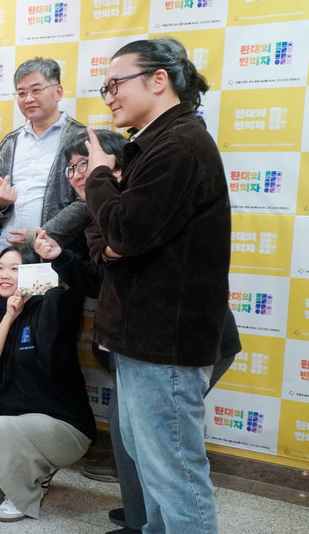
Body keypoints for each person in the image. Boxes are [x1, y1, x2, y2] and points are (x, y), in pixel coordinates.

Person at [44, 130, 241, 534]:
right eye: (73, 168)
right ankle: (145, 521)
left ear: (120, 168)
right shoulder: (98, 210)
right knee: (134, 441)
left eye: (89, 164)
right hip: (137, 344)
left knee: (166, 457)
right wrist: (64, 256)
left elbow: (122, 259)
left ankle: (149, 522)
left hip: (174, 344)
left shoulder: (138, 203)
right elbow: (103, 277)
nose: (80, 175)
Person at [84, 37, 230, 534]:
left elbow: (123, 231)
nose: (109, 97)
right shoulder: (155, 143)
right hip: (139, 335)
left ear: (158, 80)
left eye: (115, 84)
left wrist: (100, 176)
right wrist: (111, 234)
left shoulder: (180, 144)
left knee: (175, 474)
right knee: (152, 470)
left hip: (162, 342)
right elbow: (110, 240)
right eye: (104, 88)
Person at [0, 245, 94, 522]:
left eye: (15, 268)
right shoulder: (7, 314)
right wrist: (10, 317)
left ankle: (24, 496)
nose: (4, 274)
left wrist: (49, 294)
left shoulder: (52, 306)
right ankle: (40, 472)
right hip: (21, 426)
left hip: (65, 428)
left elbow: (51, 362)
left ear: (32, 273)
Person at [0, 57, 88, 313]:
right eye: (21, 93)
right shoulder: (10, 141)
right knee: (2, 334)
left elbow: (87, 201)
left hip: (51, 261)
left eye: (36, 90)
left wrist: (38, 235)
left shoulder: (81, 138)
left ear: (58, 91)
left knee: (45, 337)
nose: (28, 98)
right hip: (7, 264)